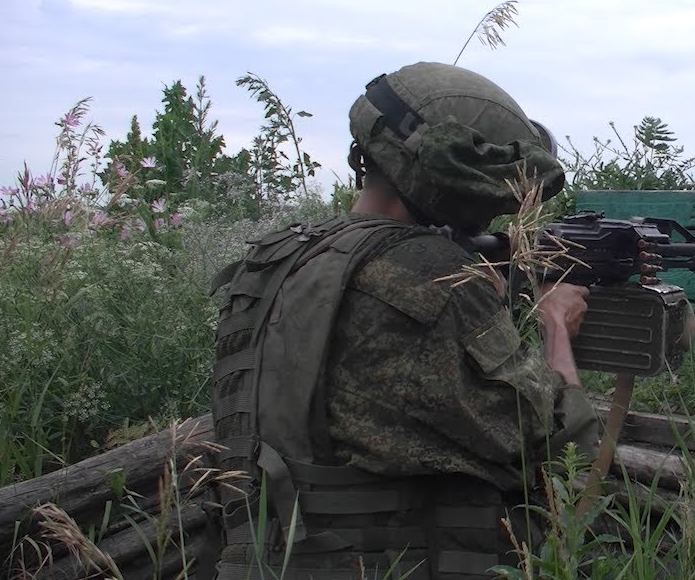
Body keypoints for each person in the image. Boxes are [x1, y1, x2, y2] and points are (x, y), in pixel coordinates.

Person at [203, 62, 603, 580]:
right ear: (460, 186)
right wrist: (555, 325)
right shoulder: (431, 281)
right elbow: (567, 451)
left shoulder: (275, 258)